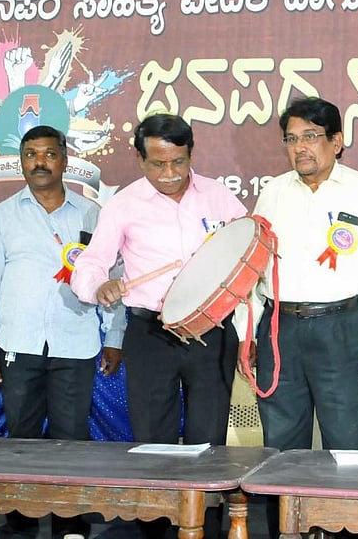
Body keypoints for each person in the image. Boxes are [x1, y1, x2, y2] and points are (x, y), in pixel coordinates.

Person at [70, 113, 246, 537]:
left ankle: (204, 527)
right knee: (154, 439)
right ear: (139, 158)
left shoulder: (220, 197)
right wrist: (99, 287)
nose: (168, 174)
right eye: (157, 164)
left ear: (191, 154)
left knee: (209, 441)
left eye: (178, 163)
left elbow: (247, 255)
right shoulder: (124, 204)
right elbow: (89, 265)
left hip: (212, 332)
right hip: (150, 334)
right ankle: (159, 529)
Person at [0, 125, 125, 539]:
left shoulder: (92, 215)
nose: (40, 162)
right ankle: (20, 522)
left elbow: (113, 279)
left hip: (75, 341)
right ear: (21, 161)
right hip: (17, 344)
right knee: (21, 435)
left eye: (49, 154)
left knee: (71, 438)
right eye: (31, 154)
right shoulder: (3, 215)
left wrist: (114, 337)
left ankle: (68, 524)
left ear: (65, 160)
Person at [235, 96, 358, 452]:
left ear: (337, 141)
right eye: (292, 139)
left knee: (347, 443)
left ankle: (341, 510)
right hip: (280, 328)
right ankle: (281, 510)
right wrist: (246, 334)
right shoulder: (274, 193)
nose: (300, 148)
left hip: (343, 329)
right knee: (280, 445)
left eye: (311, 136)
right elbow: (252, 271)